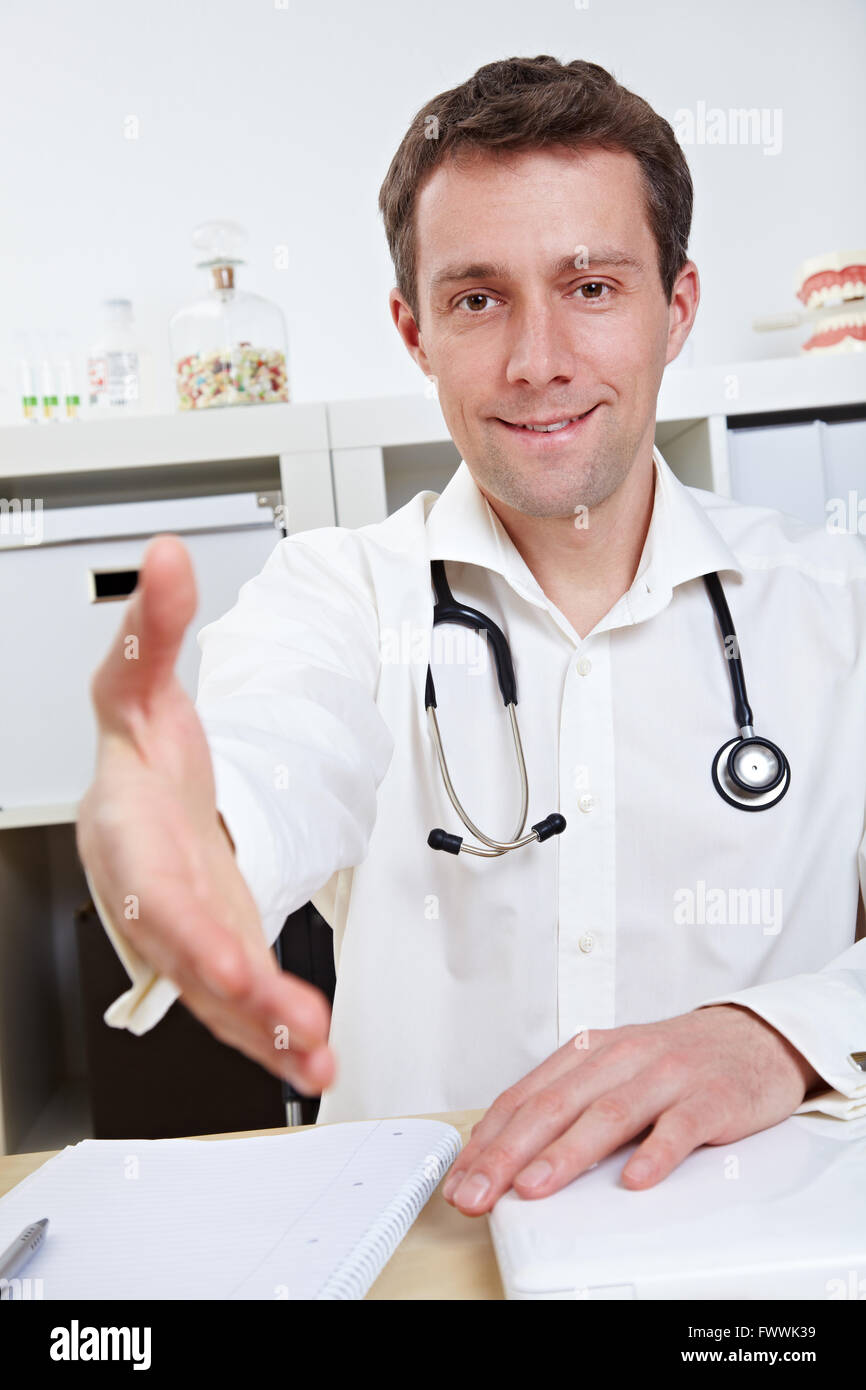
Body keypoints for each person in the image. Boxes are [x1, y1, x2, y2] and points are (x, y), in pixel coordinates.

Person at [77, 56, 866, 1219]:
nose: (536, 359)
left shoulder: (833, 604)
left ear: (675, 309)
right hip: (423, 1265)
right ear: (414, 329)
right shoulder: (334, 596)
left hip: (752, 1278)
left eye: (591, 287)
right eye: (477, 297)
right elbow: (265, 761)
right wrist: (174, 853)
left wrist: (776, 1036)